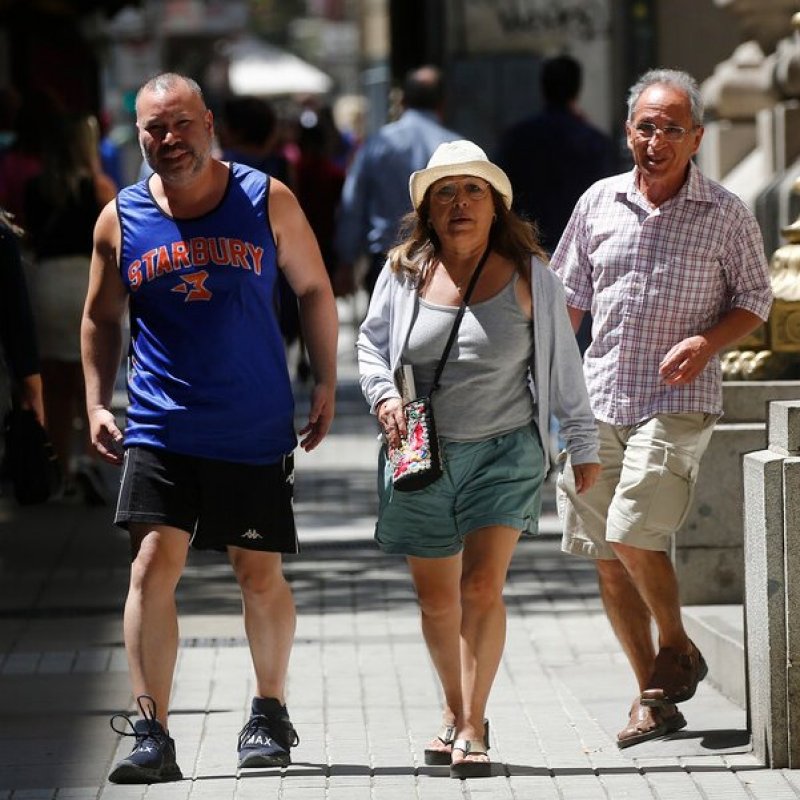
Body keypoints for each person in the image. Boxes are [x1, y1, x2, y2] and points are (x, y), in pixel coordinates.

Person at [81, 73, 338, 784]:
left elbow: (314, 288)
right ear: (139, 136)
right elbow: (100, 317)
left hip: (250, 424)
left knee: (256, 571)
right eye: (154, 129)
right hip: (160, 424)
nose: (169, 139)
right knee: (150, 565)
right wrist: (97, 403)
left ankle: (269, 710)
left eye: (181, 124)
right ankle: (151, 731)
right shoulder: (120, 218)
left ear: (208, 124)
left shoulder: (265, 199)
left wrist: (324, 378)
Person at [356, 140, 600, 778]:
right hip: (421, 453)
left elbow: (564, 368)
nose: (459, 203)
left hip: (506, 452)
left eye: (472, 191)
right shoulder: (403, 273)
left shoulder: (532, 277)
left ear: (496, 207)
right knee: (437, 600)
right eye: (445, 193)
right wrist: (383, 396)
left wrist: (582, 443)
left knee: (481, 586)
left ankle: (473, 723)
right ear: (428, 212)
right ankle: (452, 706)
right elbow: (371, 345)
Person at [551, 68, 773, 749]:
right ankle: (654, 694)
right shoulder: (598, 202)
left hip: (678, 398)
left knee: (630, 529)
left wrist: (707, 343)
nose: (657, 140)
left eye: (672, 128)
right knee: (606, 555)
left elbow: (757, 299)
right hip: (597, 396)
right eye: (646, 127)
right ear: (628, 132)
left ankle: (676, 646)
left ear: (697, 137)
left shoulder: (726, 212)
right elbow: (567, 301)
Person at [495, 54, 617, 356]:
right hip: (583, 260)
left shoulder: (517, 138)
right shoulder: (596, 142)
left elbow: (498, 200)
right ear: (577, 89)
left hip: (527, 256)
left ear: (542, 88)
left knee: (527, 350)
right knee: (576, 351)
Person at [24, 113, 117, 503]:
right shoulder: (98, 188)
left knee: (55, 389)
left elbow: (26, 237)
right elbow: (117, 241)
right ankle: (91, 464)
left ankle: (60, 473)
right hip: (85, 281)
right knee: (89, 385)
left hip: (46, 284)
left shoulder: (35, 187)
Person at [335, 65, 462, 298]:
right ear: (443, 104)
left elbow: (353, 203)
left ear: (402, 101)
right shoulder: (456, 148)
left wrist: (346, 261)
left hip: (387, 264)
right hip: (445, 266)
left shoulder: (377, 144)